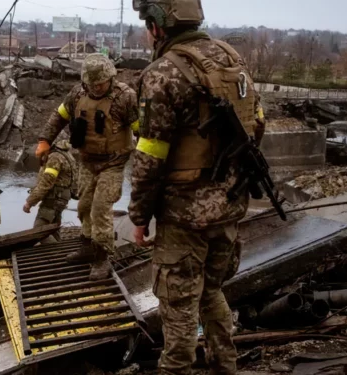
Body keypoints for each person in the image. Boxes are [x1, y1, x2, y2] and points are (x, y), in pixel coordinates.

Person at [129, 1, 266, 374]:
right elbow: (256, 124)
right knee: (212, 292)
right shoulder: (231, 61)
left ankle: (176, 369)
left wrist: (139, 216)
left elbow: (149, 158)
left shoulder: (163, 73)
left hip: (183, 215)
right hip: (229, 205)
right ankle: (226, 365)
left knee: (178, 306)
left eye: (147, 25)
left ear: (158, 26)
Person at [36, 53, 139, 280]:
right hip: (87, 160)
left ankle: (102, 257)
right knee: (83, 206)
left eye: (101, 83)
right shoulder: (77, 94)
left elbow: (143, 131)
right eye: (93, 84)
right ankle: (86, 244)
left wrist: (147, 161)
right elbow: (59, 116)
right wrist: (45, 140)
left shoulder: (126, 98)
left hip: (113, 163)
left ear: (110, 78)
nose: (97, 88)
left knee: (101, 208)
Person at [23, 140, 78, 243]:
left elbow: (46, 183)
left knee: (38, 231)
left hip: (53, 200)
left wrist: (30, 202)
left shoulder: (55, 158)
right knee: (52, 229)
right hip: (62, 198)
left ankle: (57, 254)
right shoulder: (67, 155)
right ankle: (61, 251)